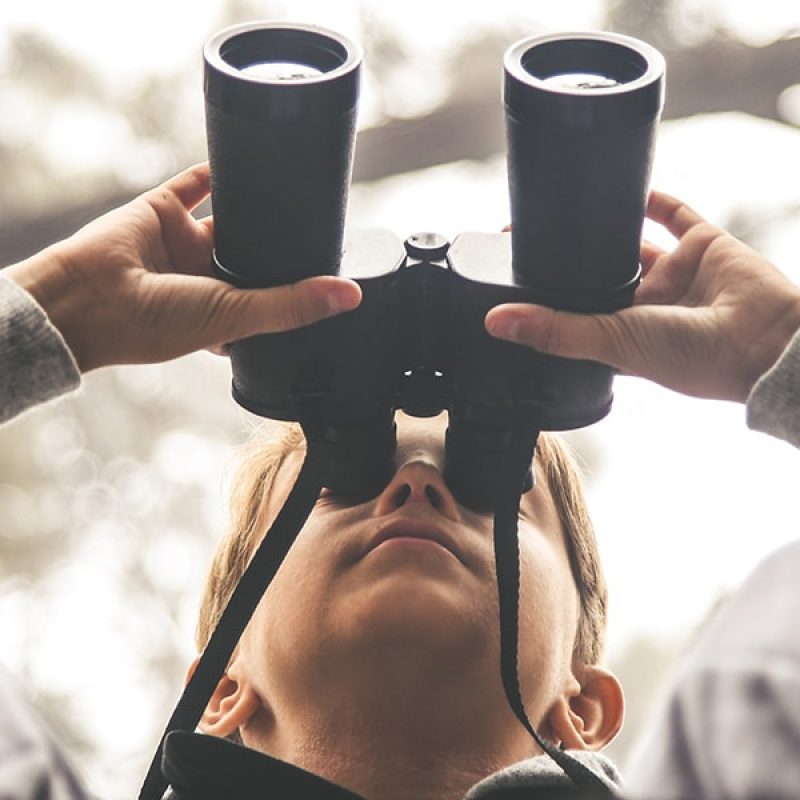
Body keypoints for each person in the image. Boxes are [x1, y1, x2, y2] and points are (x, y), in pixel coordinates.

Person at [1, 163, 798, 798]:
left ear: (581, 708)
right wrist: (61, 308)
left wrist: (777, 343)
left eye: (496, 489)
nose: (416, 488)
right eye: (337, 483)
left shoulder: (741, 722)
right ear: (220, 691)